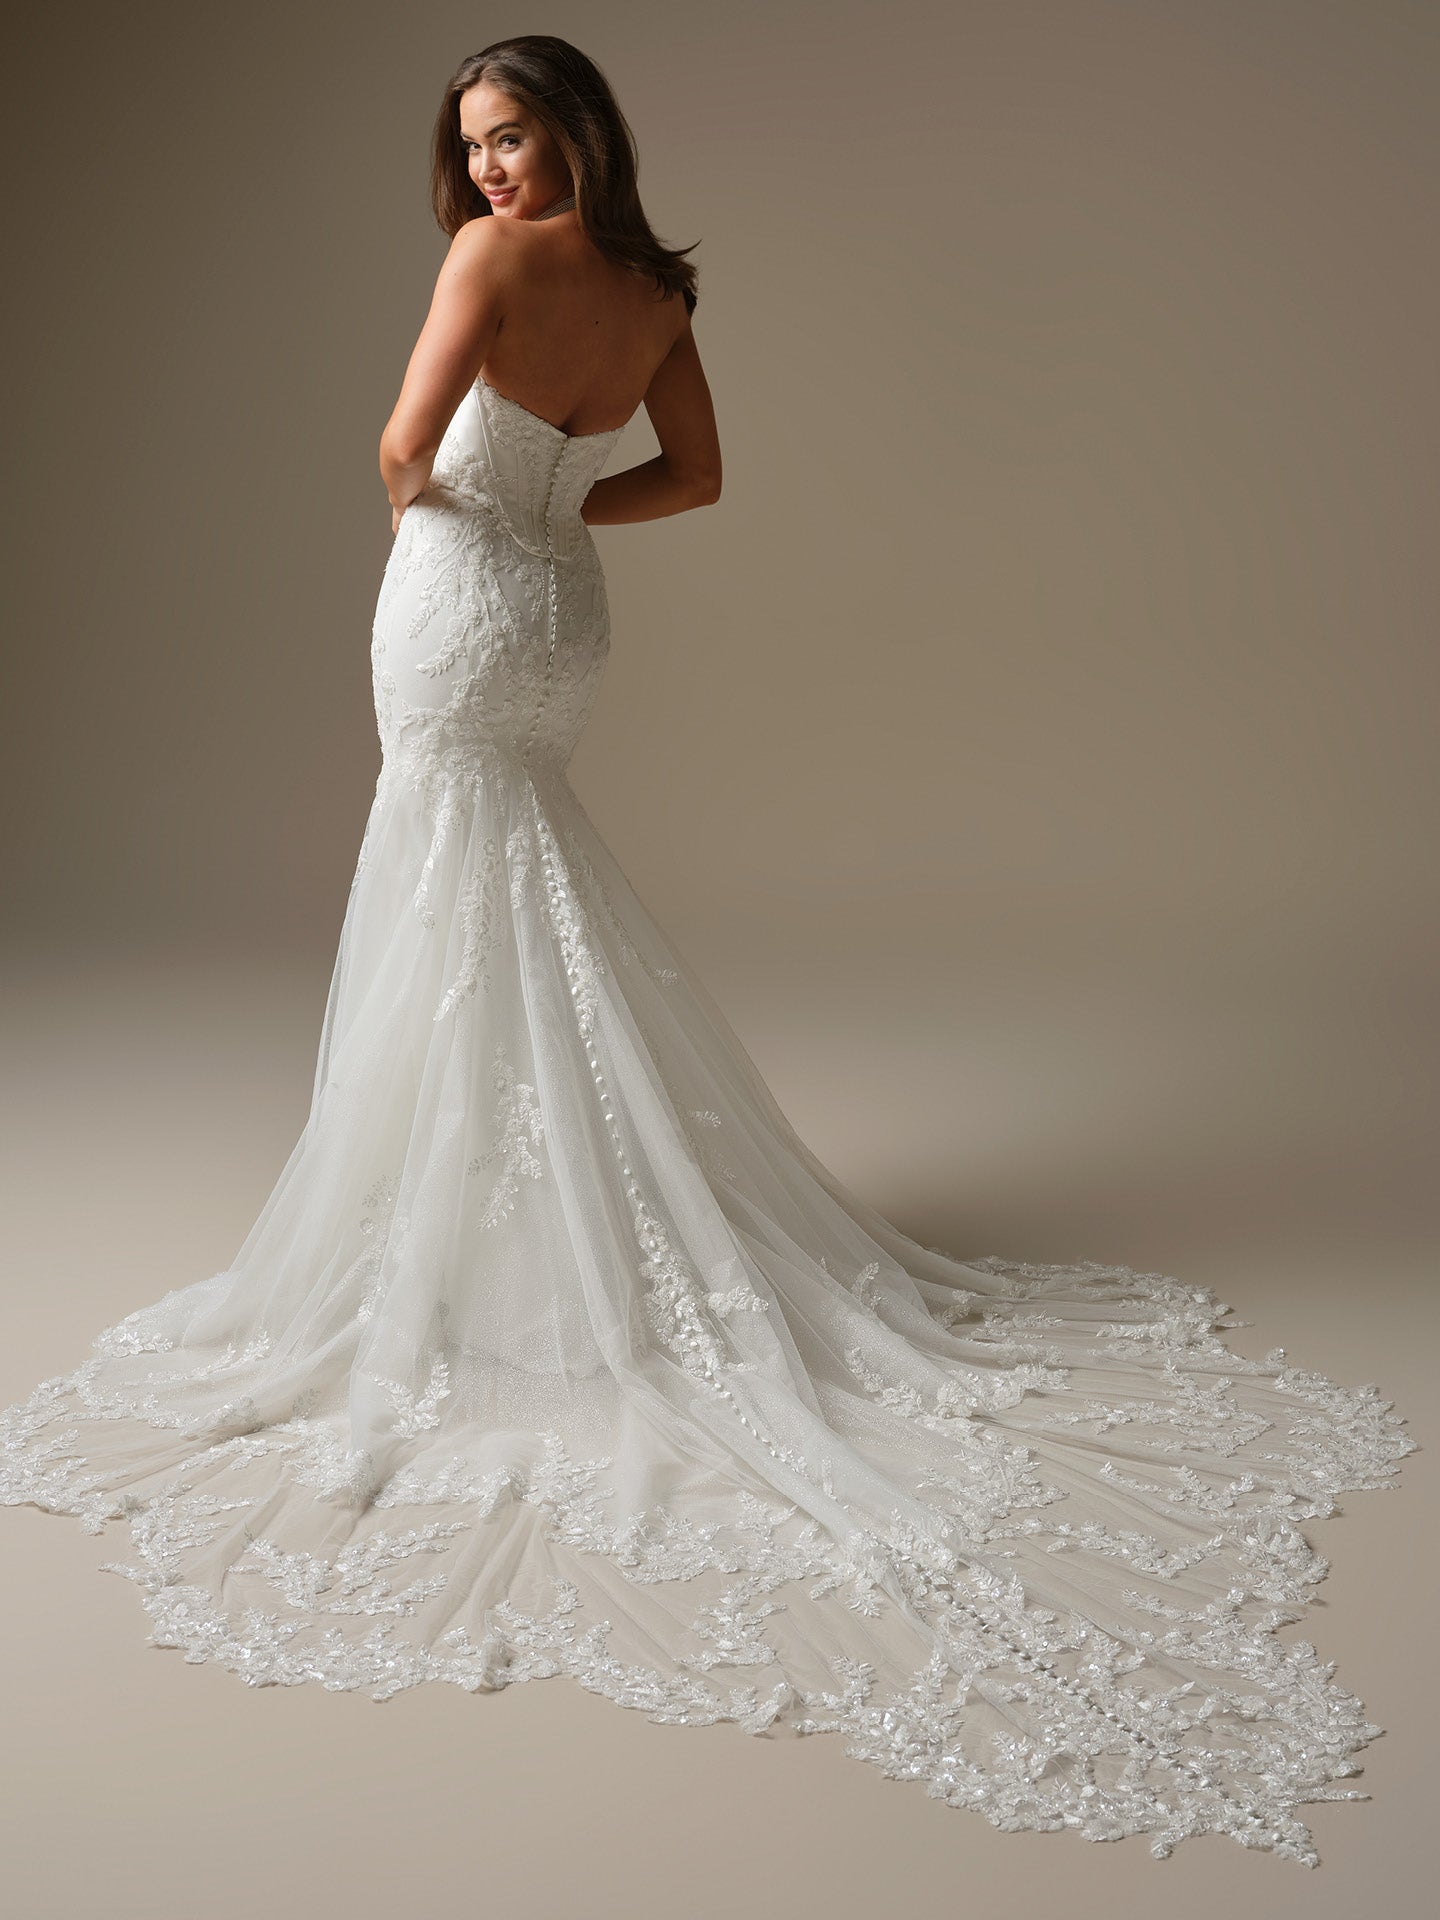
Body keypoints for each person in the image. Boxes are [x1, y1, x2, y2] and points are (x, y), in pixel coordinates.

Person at [0, 35, 1415, 1867]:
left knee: (448, 882)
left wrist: (471, 497)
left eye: (515, 137)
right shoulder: (654, 291)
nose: (497, 171)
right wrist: (561, 508)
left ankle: (464, 1231)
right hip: (561, 618)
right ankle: (530, 1213)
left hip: (453, 606)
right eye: (479, 148)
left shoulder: (491, 266)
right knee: (507, 884)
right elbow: (700, 478)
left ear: (576, 131)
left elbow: (400, 453)